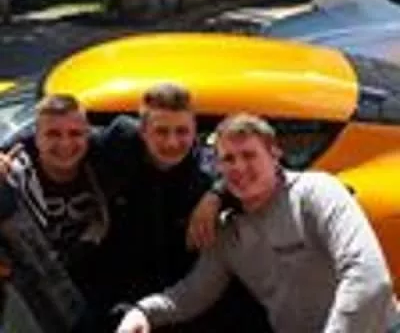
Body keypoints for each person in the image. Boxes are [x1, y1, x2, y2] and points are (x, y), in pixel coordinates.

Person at [116, 113, 399, 333]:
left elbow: (369, 279)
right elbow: (192, 294)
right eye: (228, 159)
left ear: (275, 155)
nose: (239, 167)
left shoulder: (316, 193)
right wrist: (142, 312)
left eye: (249, 155)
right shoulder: (229, 232)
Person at [93, 83, 270, 332]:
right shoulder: (120, 140)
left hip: (183, 297)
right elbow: (63, 137)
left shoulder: (206, 172)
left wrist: (216, 195)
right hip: (120, 289)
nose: (172, 142)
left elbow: (270, 174)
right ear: (143, 131)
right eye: (161, 131)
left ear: (195, 130)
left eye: (182, 131)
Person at [0, 94, 110, 332]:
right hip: (33, 302)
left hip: (95, 290)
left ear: (88, 135)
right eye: (53, 134)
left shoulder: (106, 168)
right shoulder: (11, 179)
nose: (65, 144)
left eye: (75, 133)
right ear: (35, 138)